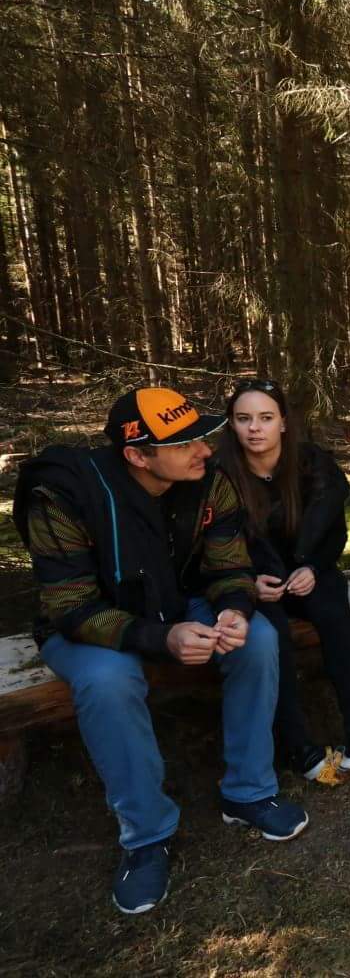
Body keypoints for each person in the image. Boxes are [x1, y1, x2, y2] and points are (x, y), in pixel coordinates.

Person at [12, 386, 308, 916]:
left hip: (177, 604)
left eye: (203, 435)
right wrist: (159, 638)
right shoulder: (63, 495)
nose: (206, 450)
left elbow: (228, 567)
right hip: (88, 627)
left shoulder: (209, 483)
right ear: (137, 455)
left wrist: (234, 609)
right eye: (185, 443)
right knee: (107, 681)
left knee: (258, 639)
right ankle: (145, 835)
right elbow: (71, 606)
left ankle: (248, 792)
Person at [217, 378, 350, 781]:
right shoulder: (220, 476)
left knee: (334, 611)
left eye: (265, 418)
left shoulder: (309, 463)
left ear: (283, 423)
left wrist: (314, 568)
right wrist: (250, 582)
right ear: (232, 425)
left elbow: (332, 531)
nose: (255, 428)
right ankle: (296, 743)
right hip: (253, 585)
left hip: (308, 574)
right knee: (274, 637)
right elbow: (216, 547)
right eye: (244, 419)